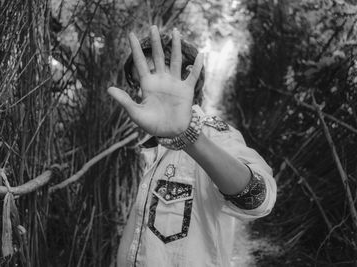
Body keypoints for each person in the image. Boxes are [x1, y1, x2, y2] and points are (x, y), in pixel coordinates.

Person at [108, 25, 277, 267]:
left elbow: (260, 200)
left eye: (153, 73)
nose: (143, 90)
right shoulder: (148, 147)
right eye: (138, 83)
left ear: (189, 75)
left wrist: (187, 136)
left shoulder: (214, 135)